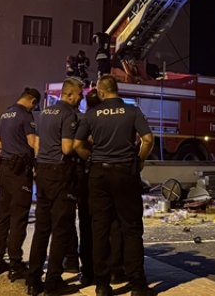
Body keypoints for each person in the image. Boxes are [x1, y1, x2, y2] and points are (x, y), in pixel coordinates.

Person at [74, 76, 155, 296]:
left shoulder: (92, 114)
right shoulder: (132, 111)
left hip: (99, 174)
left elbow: (76, 145)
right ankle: (137, 285)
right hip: (125, 172)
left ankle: (102, 285)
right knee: (131, 228)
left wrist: (91, 159)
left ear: (100, 92)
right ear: (116, 90)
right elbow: (148, 139)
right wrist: (139, 161)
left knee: (100, 228)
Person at [25, 78, 85, 296]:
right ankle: (53, 281)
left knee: (42, 228)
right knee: (61, 228)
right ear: (69, 94)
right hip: (60, 173)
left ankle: (32, 280)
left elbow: (38, 145)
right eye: (79, 94)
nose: (81, 98)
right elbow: (67, 148)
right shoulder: (68, 114)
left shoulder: (44, 113)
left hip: (42, 171)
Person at [74, 88, 125, 288]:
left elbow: (77, 146)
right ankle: (115, 270)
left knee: (87, 226)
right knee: (113, 225)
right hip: (110, 176)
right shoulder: (110, 118)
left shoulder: (85, 119)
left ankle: (88, 271)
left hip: (86, 179)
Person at [0, 88, 40, 280]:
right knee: (18, 217)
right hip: (20, 172)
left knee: (3, 216)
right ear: (33, 101)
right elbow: (32, 142)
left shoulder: (5, 114)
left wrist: (12, 140)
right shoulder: (25, 116)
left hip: (4, 169)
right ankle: (15, 264)